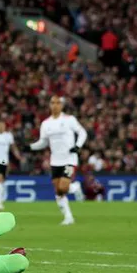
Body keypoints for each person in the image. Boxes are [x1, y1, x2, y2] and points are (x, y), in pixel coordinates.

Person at [29, 96, 87, 225]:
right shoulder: (46, 123)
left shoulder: (69, 120)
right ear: (49, 105)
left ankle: (75, 187)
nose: (55, 105)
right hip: (55, 161)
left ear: (62, 106)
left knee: (62, 187)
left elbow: (82, 132)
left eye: (58, 103)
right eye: (52, 103)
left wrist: (77, 146)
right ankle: (68, 217)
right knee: (58, 192)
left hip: (69, 159)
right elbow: (43, 142)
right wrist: (30, 147)